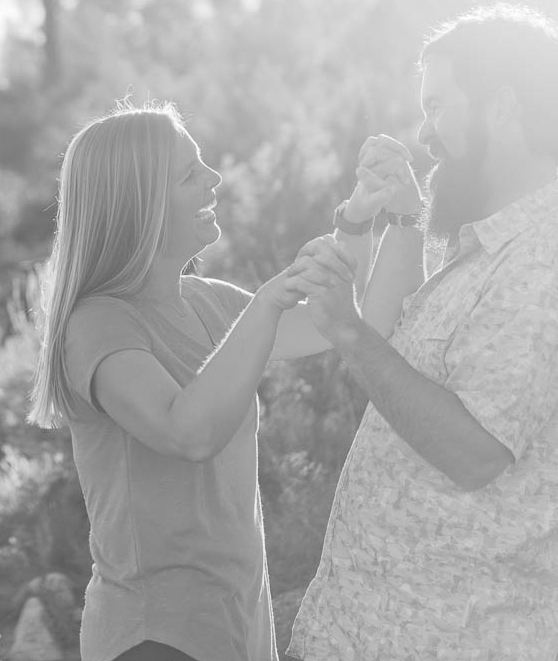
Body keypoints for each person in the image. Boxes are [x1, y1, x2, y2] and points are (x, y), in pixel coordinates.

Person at [29, 103, 397, 661]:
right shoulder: (98, 322)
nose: (215, 179)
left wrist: (357, 222)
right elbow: (187, 433)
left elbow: (336, 326)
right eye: (188, 174)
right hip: (157, 634)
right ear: (139, 203)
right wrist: (269, 302)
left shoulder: (208, 303)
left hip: (239, 620)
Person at [288, 3, 558, 660]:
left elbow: (476, 450)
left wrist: (351, 333)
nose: (426, 132)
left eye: (439, 105)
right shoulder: (491, 248)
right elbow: (419, 364)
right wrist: (407, 216)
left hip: (453, 638)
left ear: (500, 107)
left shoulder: (541, 261)